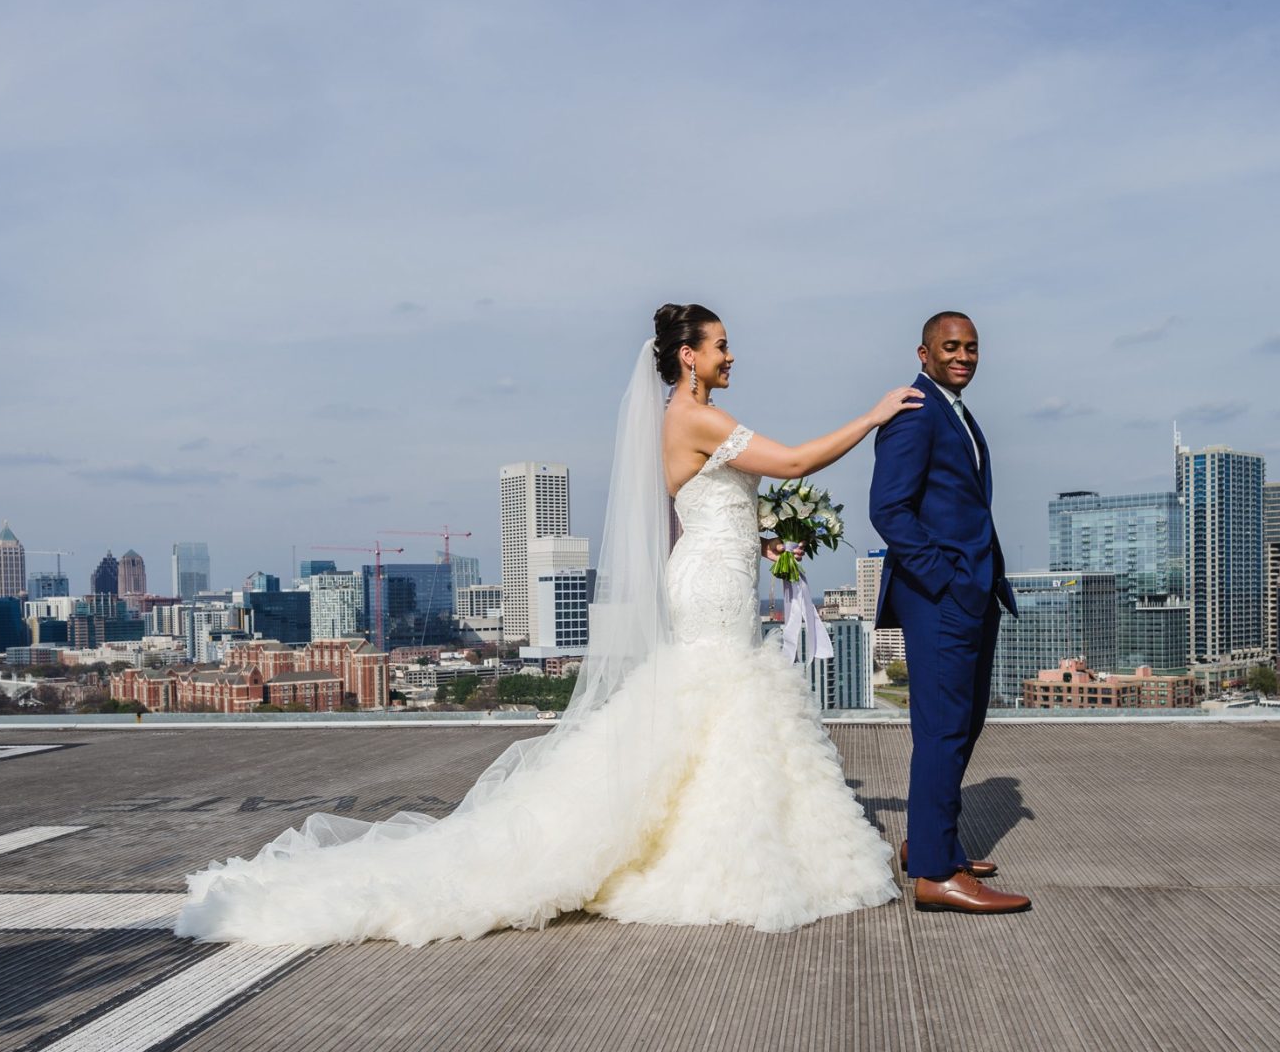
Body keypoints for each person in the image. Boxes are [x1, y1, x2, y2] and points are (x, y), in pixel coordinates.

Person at [173, 306, 913, 947]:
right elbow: (792, 461)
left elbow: (697, 504)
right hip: (712, 583)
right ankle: (716, 852)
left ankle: (721, 839)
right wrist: (872, 416)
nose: (730, 355)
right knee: (721, 692)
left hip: (711, 571)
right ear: (688, 356)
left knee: (714, 705)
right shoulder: (694, 415)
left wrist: (759, 535)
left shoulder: (681, 419)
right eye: (720, 344)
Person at [869, 311, 1031, 915]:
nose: (963, 356)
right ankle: (937, 876)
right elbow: (888, 510)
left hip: (970, 592)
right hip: (941, 598)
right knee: (941, 730)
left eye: (971, 347)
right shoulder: (915, 412)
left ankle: (932, 843)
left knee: (962, 725)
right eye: (951, 347)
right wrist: (948, 580)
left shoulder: (955, 411)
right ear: (924, 352)